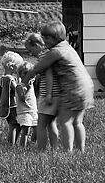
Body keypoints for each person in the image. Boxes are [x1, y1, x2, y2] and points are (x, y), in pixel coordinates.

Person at [24, 22, 93, 152]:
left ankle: (68, 152)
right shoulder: (67, 47)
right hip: (86, 87)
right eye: (43, 37)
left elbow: (38, 68)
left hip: (72, 89)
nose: (44, 41)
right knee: (77, 122)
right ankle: (81, 149)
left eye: (47, 38)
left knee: (65, 121)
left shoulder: (55, 52)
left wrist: (24, 82)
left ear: (57, 38)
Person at [25, 33, 59, 151]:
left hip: (48, 94)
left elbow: (49, 74)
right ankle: (54, 148)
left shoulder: (43, 56)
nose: (30, 53)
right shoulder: (50, 54)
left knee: (41, 124)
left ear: (37, 46)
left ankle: (42, 150)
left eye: (30, 50)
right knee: (51, 123)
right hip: (56, 93)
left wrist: (48, 94)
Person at [0, 51, 23, 144]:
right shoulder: (10, 78)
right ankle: (11, 144)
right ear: (12, 67)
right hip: (12, 106)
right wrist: (20, 79)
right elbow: (17, 89)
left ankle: (12, 142)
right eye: (19, 66)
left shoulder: (3, 77)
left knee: (15, 125)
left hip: (8, 106)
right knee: (14, 125)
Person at [16, 60, 38, 147]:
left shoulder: (32, 85)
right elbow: (22, 98)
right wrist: (27, 88)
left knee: (37, 129)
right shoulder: (19, 86)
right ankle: (23, 147)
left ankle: (31, 143)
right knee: (26, 130)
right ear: (20, 75)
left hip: (33, 110)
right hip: (24, 112)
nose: (28, 76)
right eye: (25, 73)